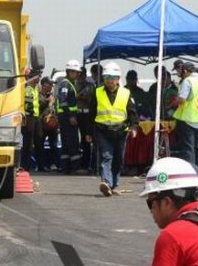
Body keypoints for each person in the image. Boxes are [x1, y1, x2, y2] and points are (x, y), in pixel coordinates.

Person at [87, 62, 138, 196]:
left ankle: (114, 184)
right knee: (106, 156)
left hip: (121, 131)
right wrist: (88, 132)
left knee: (118, 159)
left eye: (113, 77)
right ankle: (107, 183)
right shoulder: (97, 92)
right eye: (107, 77)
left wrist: (133, 127)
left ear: (118, 79)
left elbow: (132, 112)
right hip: (102, 130)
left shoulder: (126, 93)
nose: (110, 80)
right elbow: (91, 113)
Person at [172, 62, 198, 172]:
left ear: (185, 71)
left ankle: (191, 172)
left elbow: (182, 99)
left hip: (188, 119)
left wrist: (174, 103)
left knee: (188, 148)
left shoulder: (187, 81)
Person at [55, 60, 82, 174]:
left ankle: (66, 167)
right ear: (70, 72)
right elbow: (63, 101)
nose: (77, 75)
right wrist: (71, 116)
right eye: (76, 72)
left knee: (66, 143)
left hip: (64, 117)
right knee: (72, 142)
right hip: (67, 118)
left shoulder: (68, 84)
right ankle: (75, 167)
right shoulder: (66, 84)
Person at [73, 64, 97, 174]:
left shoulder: (90, 86)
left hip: (87, 116)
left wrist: (80, 97)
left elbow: (91, 99)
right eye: (78, 74)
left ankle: (87, 165)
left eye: (81, 74)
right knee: (75, 141)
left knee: (86, 140)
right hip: (76, 115)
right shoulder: (73, 85)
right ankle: (77, 164)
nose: (80, 76)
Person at [21, 70, 43, 171]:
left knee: (39, 140)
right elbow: (28, 105)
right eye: (38, 76)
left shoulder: (35, 89)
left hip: (36, 117)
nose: (39, 79)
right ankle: (25, 166)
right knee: (28, 143)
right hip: (29, 117)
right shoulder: (27, 89)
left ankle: (41, 165)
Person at [38, 76, 59, 171]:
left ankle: (53, 163)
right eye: (50, 84)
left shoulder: (52, 96)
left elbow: (56, 109)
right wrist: (49, 103)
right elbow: (40, 107)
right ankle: (42, 166)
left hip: (52, 125)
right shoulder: (38, 95)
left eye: (52, 85)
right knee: (40, 145)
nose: (51, 86)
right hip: (42, 125)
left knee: (53, 145)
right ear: (44, 85)